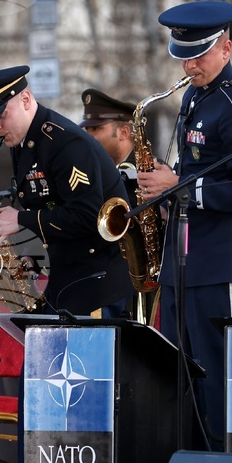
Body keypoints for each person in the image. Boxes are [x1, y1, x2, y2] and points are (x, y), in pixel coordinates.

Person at [136, 0, 232, 450]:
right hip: (183, 260)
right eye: (183, 56)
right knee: (180, 371)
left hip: (220, 263)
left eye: (199, 55)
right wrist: (160, 183)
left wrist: (180, 187)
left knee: (217, 375)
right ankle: (186, 462)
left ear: (226, 48)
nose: (190, 65)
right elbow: (195, 165)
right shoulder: (196, 96)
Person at [0, 66, 134, 317]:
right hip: (65, 280)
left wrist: (19, 220)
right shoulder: (23, 141)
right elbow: (47, 206)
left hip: (95, 284)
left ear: (26, 100)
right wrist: (31, 258)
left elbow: (87, 216)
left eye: (0, 115)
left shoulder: (66, 144)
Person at [80, 87, 156, 322]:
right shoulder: (92, 174)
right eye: (86, 130)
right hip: (104, 284)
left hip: (134, 287)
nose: (88, 137)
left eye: (96, 129)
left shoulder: (148, 172)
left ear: (124, 132)